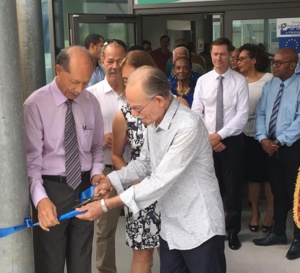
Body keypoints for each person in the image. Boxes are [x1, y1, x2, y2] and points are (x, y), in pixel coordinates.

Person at [77, 65, 226, 273]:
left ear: (158, 100)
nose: (135, 115)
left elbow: (160, 180)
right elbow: (144, 163)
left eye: (137, 108)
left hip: (199, 225)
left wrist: (105, 205)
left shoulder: (187, 126)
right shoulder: (154, 119)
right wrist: (111, 180)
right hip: (171, 226)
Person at [24, 46, 105, 273]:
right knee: (50, 263)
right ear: (58, 70)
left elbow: (97, 146)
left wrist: (97, 173)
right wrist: (41, 200)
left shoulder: (90, 101)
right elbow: (31, 163)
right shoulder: (35, 105)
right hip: (51, 189)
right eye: (74, 82)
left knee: (82, 261)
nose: (79, 89)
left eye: (85, 83)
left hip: (84, 187)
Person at [192, 37, 249, 250]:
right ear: (211, 54)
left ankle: (233, 231)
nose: (218, 58)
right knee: (209, 187)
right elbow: (196, 112)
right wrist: (211, 137)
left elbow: (242, 115)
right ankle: (211, 229)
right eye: (215, 54)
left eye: (223, 54)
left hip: (232, 141)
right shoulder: (203, 81)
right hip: (206, 142)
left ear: (230, 55)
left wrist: (220, 136)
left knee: (233, 189)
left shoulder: (239, 81)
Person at [111, 50, 160, 273]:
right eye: (126, 80)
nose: (130, 85)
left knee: (172, 251)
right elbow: (116, 154)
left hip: (170, 189)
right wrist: (133, 183)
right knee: (142, 252)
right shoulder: (123, 115)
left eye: (135, 79)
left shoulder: (174, 106)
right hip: (139, 192)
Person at [253, 48, 300, 260]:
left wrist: (279, 141)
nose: (275, 65)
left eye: (280, 63)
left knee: (296, 195)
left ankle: (298, 240)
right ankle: (279, 232)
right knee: (278, 193)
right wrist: (262, 138)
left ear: (293, 65)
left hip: (292, 148)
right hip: (269, 147)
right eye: (275, 62)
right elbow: (261, 112)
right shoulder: (270, 85)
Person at [87, 39, 127, 273]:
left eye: (119, 60)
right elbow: (80, 135)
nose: (114, 65)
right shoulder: (91, 95)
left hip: (136, 168)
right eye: (109, 60)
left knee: (145, 224)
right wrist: (100, 139)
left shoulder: (136, 92)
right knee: (104, 230)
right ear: (102, 62)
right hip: (105, 170)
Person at [237, 43, 274, 233]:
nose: (239, 62)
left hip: (266, 133)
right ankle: (255, 213)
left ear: (254, 61)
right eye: (238, 58)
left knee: (267, 177)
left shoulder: (268, 79)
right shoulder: (238, 80)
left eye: (243, 58)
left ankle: (270, 213)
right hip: (244, 133)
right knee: (252, 176)